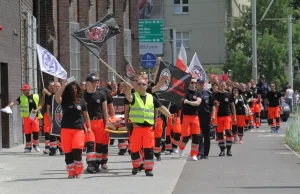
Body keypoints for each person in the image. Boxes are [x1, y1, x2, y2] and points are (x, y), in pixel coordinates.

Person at [125, 77, 172, 176]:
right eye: (139, 84)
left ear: (147, 86)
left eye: (144, 84)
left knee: (148, 149)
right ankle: (136, 165)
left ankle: (148, 169)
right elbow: (128, 97)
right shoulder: (134, 96)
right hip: (136, 128)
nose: (141, 86)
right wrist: (128, 89)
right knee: (134, 149)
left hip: (148, 129)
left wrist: (170, 115)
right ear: (136, 86)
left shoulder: (152, 98)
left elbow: (161, 107)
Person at [55, 80, 91, 178]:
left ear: (78, 89)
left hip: (78, 129)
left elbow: (86, 115)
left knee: (77, 150)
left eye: (75, 88)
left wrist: (89, 127)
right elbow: (57, 97)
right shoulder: (64, 100)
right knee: (68, 152)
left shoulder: (82, 101)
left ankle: (78, 171)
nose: (73, 90)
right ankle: (71, 172)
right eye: (71, 88)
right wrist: (63, 86)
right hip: (66, 129)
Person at [6, 84, 45, 153]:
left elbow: (41, 104)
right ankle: (28, 147)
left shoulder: (36, 96)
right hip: (26, 117)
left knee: (36, 131)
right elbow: (15, 102)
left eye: (24, 90)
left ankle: (36, 145)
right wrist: (9, 106)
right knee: (27, 132)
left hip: (34, 116)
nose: (23, 91)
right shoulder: (21, 98)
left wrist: (36, 110)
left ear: (28, 90)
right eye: (23, 90)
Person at [84, 74, 109, 173]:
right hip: (88, 122)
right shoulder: (83, 95)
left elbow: (105, 109)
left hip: (99, 122)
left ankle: (97, 164)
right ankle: (90, 164)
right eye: (94, 82)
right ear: (88, 83)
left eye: (97, 82)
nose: (96, 84)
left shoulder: (101, 94)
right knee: (90, 143)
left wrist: (106, 122)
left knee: (99, 145)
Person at [178, 78, 202, 161]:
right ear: (189, 83)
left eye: (195, 83)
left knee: (196, 136)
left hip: (195, 117)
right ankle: (181, 148)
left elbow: (198, 103)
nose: (194, 84)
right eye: (192, 82)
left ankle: (194, 154)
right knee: (186, 136)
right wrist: (183, 100)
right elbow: (180, 101)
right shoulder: (184, 93)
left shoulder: (198, 93)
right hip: (186, 116)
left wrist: (188, 102)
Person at [214, 80, 236, 156]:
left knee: (228, 132)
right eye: (221, 85)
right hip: (219, 117)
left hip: (228, 116)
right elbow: (213, 106)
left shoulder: (229, 94)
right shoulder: (215, 95)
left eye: (223, 86)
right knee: (220, 134)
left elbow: (233, 106)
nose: (222, 87)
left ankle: (229, 150)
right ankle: (222, 150)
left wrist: (235, 117)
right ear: (218, 86)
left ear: (225, 86)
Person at [196, 78, 215, 159]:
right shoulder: (195, 94)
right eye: (200, 83)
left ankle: (206, 153)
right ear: (197, 84)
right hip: (197, 118)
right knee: (199, 135)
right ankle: (200, 152)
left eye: (202, 83)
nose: (201, 84)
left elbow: (213, 106)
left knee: (207, 136)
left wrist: (213, 115)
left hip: (206, 118)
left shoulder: (209, 94)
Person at [47, 82, 64, 156]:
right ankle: (53, 149)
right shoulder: (51, 97)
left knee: (61, 134)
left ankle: (61, 149)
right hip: (54, 118)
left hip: (62, 118)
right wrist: (50, 117)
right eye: (56, 86)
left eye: (59, 86)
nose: (57, 87)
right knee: (53, 134)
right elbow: (48, 109)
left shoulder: (64, 96)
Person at [43, 81, 55, 154]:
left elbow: (53, 97)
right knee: (47, 130)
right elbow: (42, 102)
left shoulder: (55, 94)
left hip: (55, 114)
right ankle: (47, 147)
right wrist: (44, 94)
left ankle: (56, 147)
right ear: (48, 87)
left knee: (54, 131)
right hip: (47, 114)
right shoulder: (47, 94)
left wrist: (47, 92)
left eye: (54, 86)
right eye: (51, 86)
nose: (52, 87)